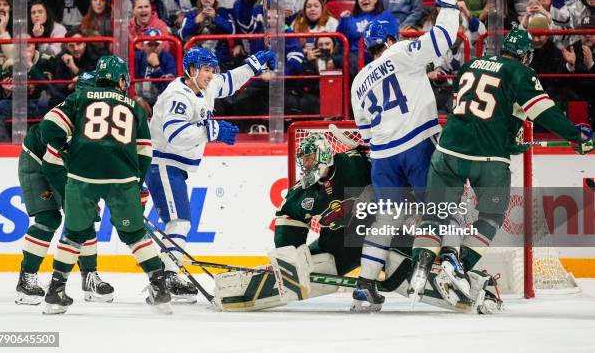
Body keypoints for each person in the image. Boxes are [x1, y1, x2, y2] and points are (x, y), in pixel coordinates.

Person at [215, 133, 502, 314]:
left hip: (383, 235)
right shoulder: (304, 192)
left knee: (400, 269)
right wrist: (289, 260)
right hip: (339, 244)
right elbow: (288, 220)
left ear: (327, 156)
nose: (308, 165)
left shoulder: (355, 164)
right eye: (304, 160)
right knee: (318, 270)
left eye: (312, 158)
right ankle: (244, 290)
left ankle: (468, 286)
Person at [409, 26, 594, 303]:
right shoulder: (520, 72)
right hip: (489, 159)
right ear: (525, 56)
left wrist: (511, 142)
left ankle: (420, 269)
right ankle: (457, 267)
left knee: (434, 216)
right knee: (490, 217)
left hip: (447, 150)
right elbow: (545, 112)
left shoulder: (470, 65)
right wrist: (575, 136)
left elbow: (476, 110)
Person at [349, 0, 465, 310]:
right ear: (388, 38)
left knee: (386, 219)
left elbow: (366, 132)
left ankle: (365, 284)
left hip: (383, 157)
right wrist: (446, 5)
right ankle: (450, 263)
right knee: (446, 205)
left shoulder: (358, 82)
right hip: (418, 145)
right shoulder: (398, 53)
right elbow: (441, 40)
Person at [40, 56, 171, 314]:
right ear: (121, 80)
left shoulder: (81, 97)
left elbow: (49, 126)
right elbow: (145, 152)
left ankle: (55, 292)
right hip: (121, 176)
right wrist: (137, 182)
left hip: (82, 174)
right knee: (134, 234)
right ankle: (159, 287)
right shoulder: (134, 106)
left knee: (75, 234)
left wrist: (67, 151)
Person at [145, 47, 275, 299]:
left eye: (212, 69)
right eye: (206, 70)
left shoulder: (205, 86)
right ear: (191, 70)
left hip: (175, 166)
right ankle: (168, 275)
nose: (211, 75)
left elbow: (228, 82)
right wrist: (211, 131)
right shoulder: (177, 96)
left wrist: (254, 64)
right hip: (162, 163)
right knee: (179, 221)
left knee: (179, 221)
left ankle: (166, 273)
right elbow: (176, 135)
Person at [15, 72, 114, 306]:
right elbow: (52, 166)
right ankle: (26, 280)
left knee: (84, 216)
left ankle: (89, 276)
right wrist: (75, 201)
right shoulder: (70, 118)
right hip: (38, 162)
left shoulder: (98, 116)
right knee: (48, 218)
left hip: (60, 163)